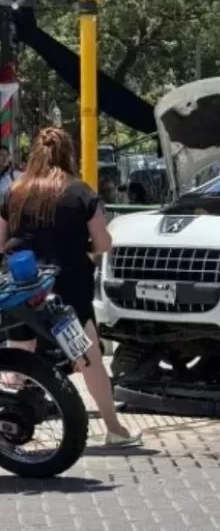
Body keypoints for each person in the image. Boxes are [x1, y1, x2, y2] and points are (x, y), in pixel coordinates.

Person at [0, 127, 141, 447]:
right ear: (69, 154)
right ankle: (114, 429)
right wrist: (80, 245)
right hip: (66, 289)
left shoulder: (15, 192)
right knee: (87, 355)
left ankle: (9, 424)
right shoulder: (81, 193)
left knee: (18, 356)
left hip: (22, 286)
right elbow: (103, 243)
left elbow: (1, 242)